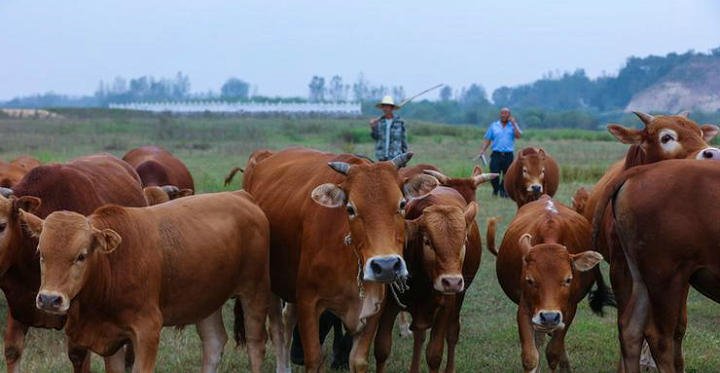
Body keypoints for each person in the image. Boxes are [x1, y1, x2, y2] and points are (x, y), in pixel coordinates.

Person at [478, 107, 522, 197]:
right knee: (494, 173)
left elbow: (518, 136)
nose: (504, 115)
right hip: (496, 154)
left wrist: (514, 124)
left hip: (508, 155)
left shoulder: (513, 126)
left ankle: (503, 190)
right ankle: (495, 189)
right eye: (502, 113)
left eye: (506, 113)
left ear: (509, 115)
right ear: (500, 114)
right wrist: (482, 150)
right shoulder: (494, 125)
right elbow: (488, 139)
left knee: (507, 174)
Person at [370, 96, 407, 161]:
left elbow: (403, 141)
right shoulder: (379, 122)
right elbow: (375, 137)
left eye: (387, 106)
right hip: (381, 157)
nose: (385, 108)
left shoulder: (399, 122)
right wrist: (373, 127)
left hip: (396, 157)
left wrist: (404, 157)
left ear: (392, 108)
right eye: (384, 106)